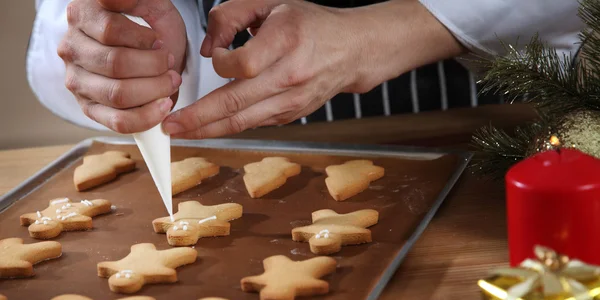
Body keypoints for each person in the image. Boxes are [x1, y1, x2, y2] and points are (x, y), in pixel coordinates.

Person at [28, 0, 582, 139]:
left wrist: (405, 26)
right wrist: (126, 40)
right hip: (230, 145)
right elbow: (75, 17)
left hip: (486, 126)